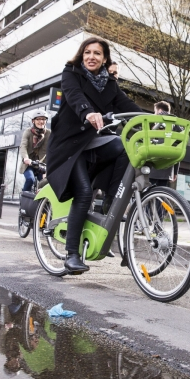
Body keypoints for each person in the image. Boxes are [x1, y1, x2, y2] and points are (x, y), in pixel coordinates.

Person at [46, 37, 142, 273]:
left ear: (105, 59)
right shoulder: (71, 72)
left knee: (122, 146)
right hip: (69, 145)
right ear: (82, 54)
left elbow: (127, 105)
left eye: (97, 53)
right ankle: (71, 255)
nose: (91, 57)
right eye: (87, 52)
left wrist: (154, 122)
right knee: (84, 192)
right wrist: (88, 113)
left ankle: (110, 198)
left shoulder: (109, 83)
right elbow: (74, 96)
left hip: (92, 142)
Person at [18, 109, 50, 192]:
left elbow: (53, 149)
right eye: (38, 119)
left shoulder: (49, 133)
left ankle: (41, 202)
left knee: (45, 183)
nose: (41, 121)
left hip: (42, 164)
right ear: (33, 121)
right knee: (30, 179)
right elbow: (23, 146)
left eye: (43, 119)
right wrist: (25, 158)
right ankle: (25, 199)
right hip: (29, 163)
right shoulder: (28, 132)